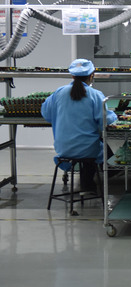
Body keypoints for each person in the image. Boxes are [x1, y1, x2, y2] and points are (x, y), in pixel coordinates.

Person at [41, 58, 117, 193]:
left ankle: (87, 183)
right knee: (99, 144)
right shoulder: (95, 95)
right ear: (92, 75)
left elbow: (46, 113)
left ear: (72, 76)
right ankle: (95, 180)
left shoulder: (59, 92)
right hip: (88, 149)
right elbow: (107, 121)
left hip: (63, 148)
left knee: (91, 143)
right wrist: (115, 116)